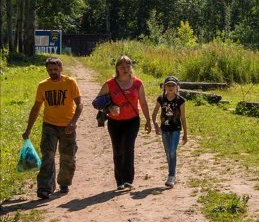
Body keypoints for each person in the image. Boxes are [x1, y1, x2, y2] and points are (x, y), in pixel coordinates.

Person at [22, 57, 83, 199]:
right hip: (49, 125)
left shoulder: (70, 82)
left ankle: (64, 183)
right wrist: (28, 129)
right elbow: (36, 107)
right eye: (50, 70)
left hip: (67, 126)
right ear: (46, 70)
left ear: (61, 68)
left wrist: (73, 122)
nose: (53, 72)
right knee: (47, 155)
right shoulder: (43, 85)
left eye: (55, 69)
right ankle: (44, 187)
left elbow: (79, 104)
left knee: (67, 156)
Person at [95, 56, 151, 191]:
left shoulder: (137, 83)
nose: (125, 69)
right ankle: (119, 181)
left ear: (131, 67)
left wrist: (148, 120)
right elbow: (96, 102)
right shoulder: (110, 84)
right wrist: (109, 108)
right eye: (122, 67)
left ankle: (128, 180)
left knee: (128, 147)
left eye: (127, 66)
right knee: (118, 150)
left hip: (132, 120)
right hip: (115, 122)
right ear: (117, 68)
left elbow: (143, 102)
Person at [152, 76, 188, 188]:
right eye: (168, 85)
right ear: (164, 86)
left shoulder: (180, 100)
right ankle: (171, 172)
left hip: (176, 129)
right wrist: (156, 126)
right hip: (165, 129)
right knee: (168, 152)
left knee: (172, 151)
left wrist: (185, 134)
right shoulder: (161, 99)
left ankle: (171, 176)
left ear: (177, 87)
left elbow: (183, 117)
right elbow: (154, 114)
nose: (171, 87)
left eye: (173, 85)